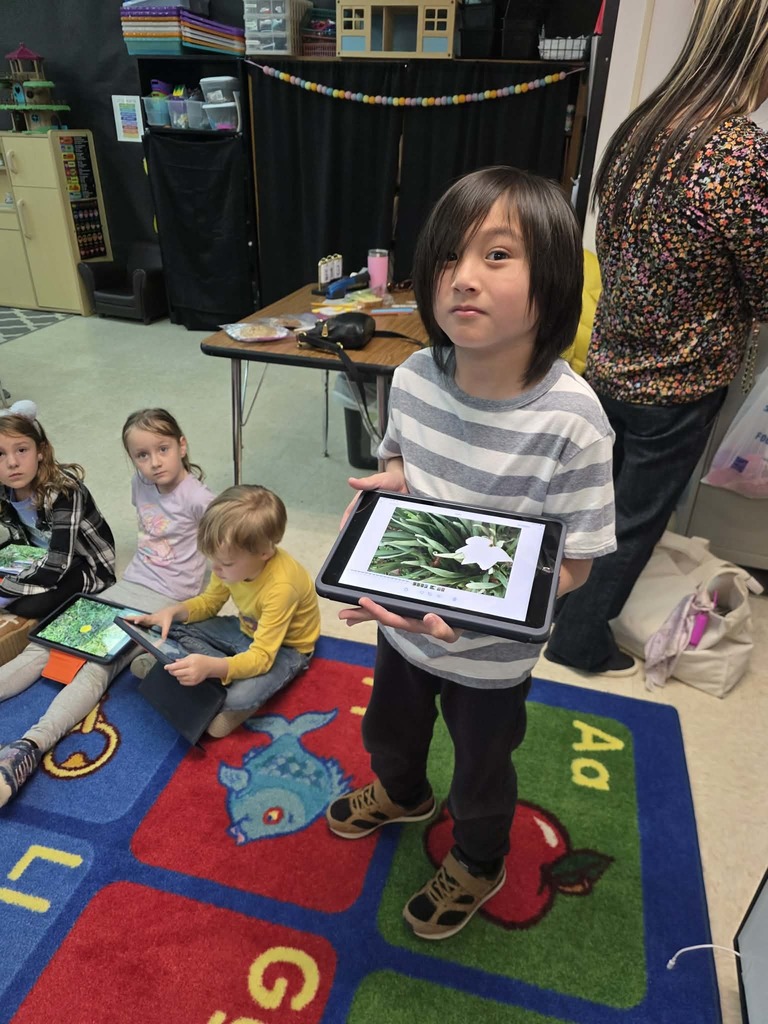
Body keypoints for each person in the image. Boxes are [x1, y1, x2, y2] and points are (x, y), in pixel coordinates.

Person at [325, 166, 616, 940]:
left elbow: (577, 562)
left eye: (496, 255)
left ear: (552, 283)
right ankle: (402, 791)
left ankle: (481, 860)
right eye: (448, 257)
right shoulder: (416, 375)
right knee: (389, 731)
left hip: (491, 658)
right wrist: (388, 484)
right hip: (401, 622)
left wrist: (480, 614)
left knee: (484, 777)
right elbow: (403, 467)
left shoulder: (574, 423)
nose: (462, 278)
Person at [544, 0, 768, 676]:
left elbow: (609, 242)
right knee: (633, 523)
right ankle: (578, 641)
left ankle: (551, 607)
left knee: (592, 509)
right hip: (680, 382)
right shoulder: (736, 149)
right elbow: (762, 283)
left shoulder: (644, 126)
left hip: (612, 359)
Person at [0, 407, 214, 807]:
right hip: (126, 584)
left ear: (182, 446)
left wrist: (197, 607)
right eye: (142, 455)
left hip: (164, 599)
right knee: (47, 641)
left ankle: (28, 747)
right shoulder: (140, 484)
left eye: (163, 449)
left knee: (96, 665)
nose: (154, 463)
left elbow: (224, 550)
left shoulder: (201, 499)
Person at [129, 484, 320, 739]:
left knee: (239, 695)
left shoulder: (283, 587)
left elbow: (263, 657)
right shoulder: (226, 565)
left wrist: (211, 667)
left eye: (226, 563)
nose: (216, 569)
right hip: (245, 628)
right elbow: (209, 603)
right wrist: (171, 612)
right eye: (213, 560)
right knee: (163, 627)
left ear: (265, 552)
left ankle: (210, 684)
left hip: (285, 649)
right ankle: (201, 672)